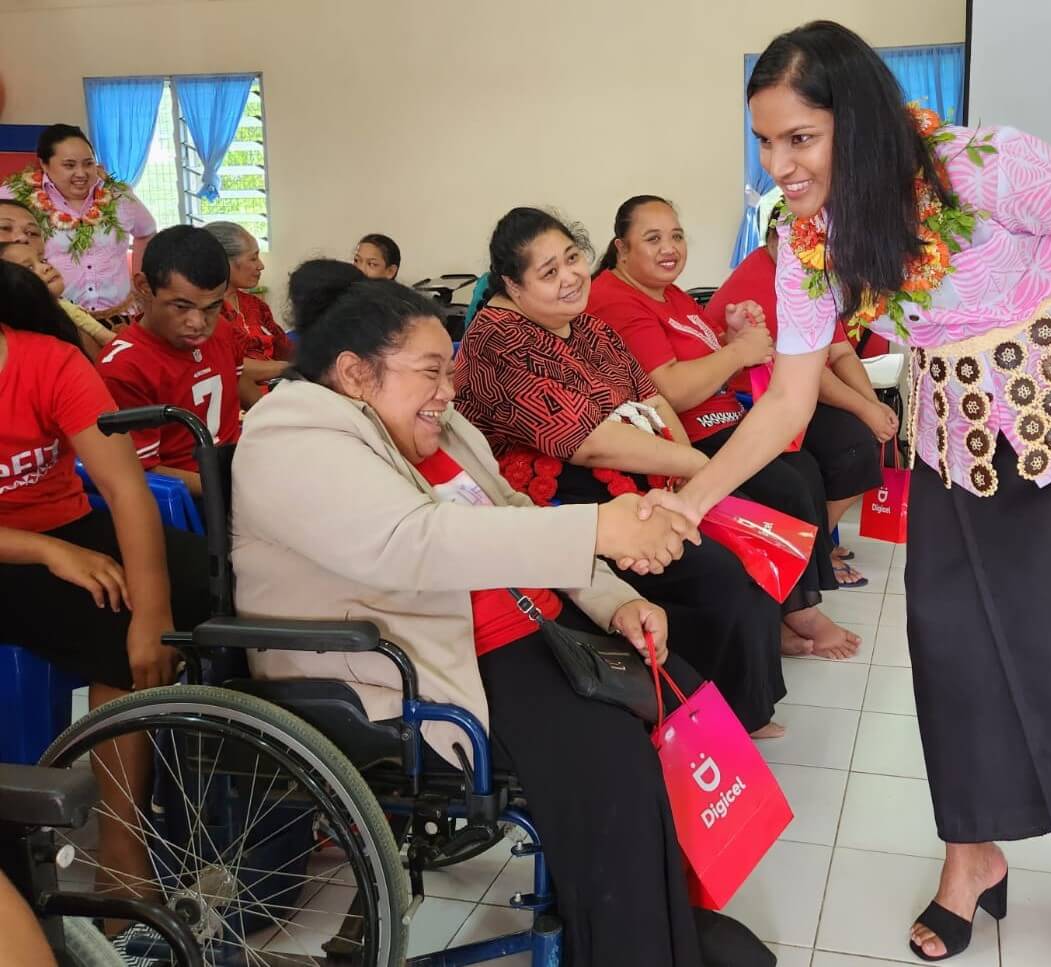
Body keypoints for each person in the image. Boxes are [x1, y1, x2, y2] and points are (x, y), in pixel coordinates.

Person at [641, 21, 1051, 967]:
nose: (778, 163)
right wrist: (692, 497)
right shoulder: (809, 243)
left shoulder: (982, 166)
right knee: (952, 649)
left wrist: (1035, 301)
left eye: (800, 138)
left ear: (859, 119)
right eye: (765, 141)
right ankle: (972, 858)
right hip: (960, 447)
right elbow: (788, 396)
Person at [232, 260, 771, 967]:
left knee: (681, 696)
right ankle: (634, 942)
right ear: (356, 373)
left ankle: (660, 920)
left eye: (448, 370)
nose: (448, 392)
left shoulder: (437, 426)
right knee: (611, 764)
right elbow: (409, 543)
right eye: (430, 371)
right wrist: (598, 529)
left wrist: (617, 601)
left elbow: (511, 513)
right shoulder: (291, 438)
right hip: (418, 658)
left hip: (519, 622)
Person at [455, 208, 787, 736]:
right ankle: (717, 711)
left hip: (635, 476)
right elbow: (584, 442)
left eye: (572, 259)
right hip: (559, 501)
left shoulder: (586, 327)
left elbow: (651, 398)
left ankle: (737, 701)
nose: (570, 277)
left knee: (734, 544)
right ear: (513, 286)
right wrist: (696, 464)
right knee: (713, 572)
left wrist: (690, 479)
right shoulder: (499, 341)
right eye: (548, 272)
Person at [0, 259, 209, 922]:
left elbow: (126, 486)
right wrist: (47, 550)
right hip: (23, 551)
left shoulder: (48, 361)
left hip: (66, 526)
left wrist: (155, 610)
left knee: (199, 576)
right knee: (104, 619)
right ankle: (121, 844)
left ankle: (182, 805)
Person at [588, 197, 859, 657]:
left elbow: (709, 358)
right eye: (652, 238)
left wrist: (731, 336)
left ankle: (785, 607)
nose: (669, 247)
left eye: (676, 236)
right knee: (788, 485)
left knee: (806, 470)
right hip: (689, 435)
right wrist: (740, 351)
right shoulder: (616, 299)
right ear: (621, 248)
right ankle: (797, 611)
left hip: (726, 417)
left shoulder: (669, 292)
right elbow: (671, 389)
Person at [705, 208, 894, 585]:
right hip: (755, 397)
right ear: (778, 237)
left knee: (860, 431)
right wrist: (867, 411)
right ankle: (815, 550)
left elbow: (840, 353)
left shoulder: (809, 275)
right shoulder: (763, 278)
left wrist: (873, 405)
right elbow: (807, 372)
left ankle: (817, 543)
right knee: (853, 444)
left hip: (795, 388)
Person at [97, 226, 261, 497]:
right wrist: (235, 490)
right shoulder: (123, 367)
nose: (198, 324)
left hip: (239, 467)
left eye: (212, 307)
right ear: (144, 287)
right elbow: (143, 472)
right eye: (181, 307)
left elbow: (237, 381)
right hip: (196, 495)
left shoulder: (221, 329)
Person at [0, 124, 157, 326]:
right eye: (69, 165)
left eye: (88, 163)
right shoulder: (17, 196)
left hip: (121, 317)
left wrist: (139, 282)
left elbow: (147, 231)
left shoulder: (118, 196)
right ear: (45, 165)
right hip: (57, 319)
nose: (81, 173)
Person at [204, 221, 292, 388]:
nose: (261, 265)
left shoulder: (256, 306)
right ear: (222, 261)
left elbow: (285, 349)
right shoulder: (206, 312)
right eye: (253, 258)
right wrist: (285, 368)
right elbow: (229, 366)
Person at [0, 239, 115, 360]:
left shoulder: (66, 307)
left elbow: (108, 339)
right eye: (29, 268)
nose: (46, 267)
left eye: (42, 260)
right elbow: (109, 339)